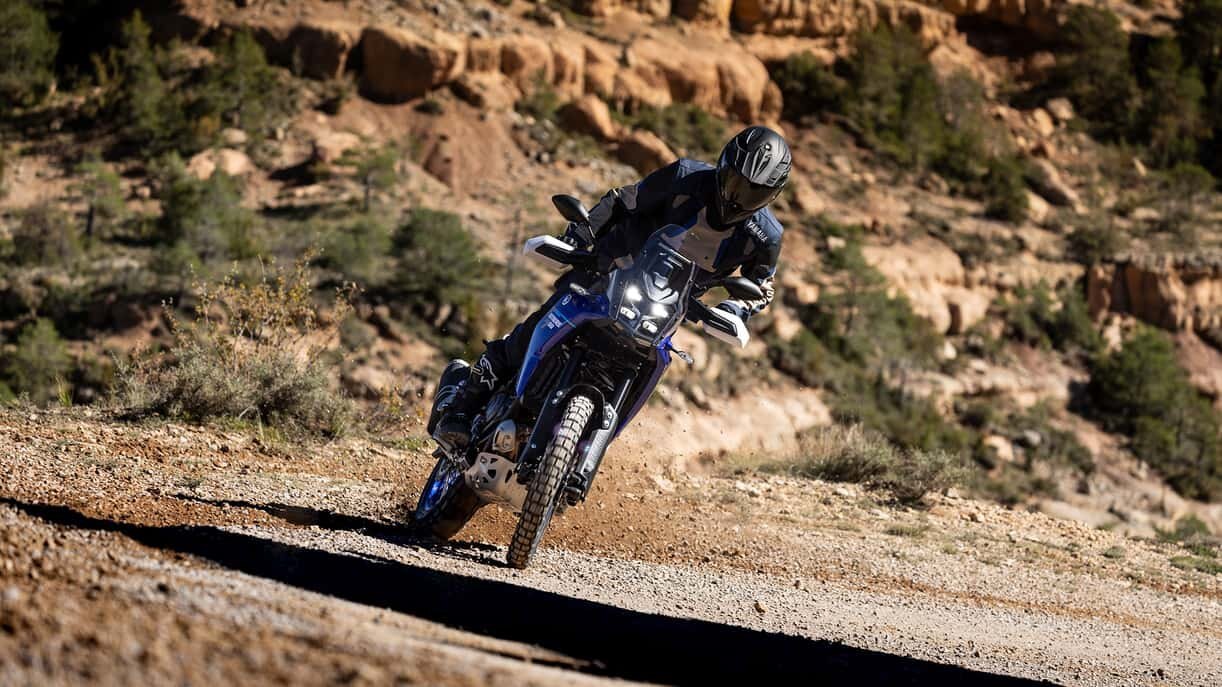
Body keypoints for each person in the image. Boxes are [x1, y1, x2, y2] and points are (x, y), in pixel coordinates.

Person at [433, 125, 792, 448]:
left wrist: (733, 309)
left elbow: (759, 288)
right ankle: (461, 403)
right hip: (612, 268)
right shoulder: (685, 177)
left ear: (771, 196)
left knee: (652, 360)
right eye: (734, 181)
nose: (736, 197)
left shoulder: (766, 237)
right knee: (543, 323)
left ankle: (583, 448)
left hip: (667, 304)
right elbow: (623, 200)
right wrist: (579, 235)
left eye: (752, 193)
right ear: (723, 164)